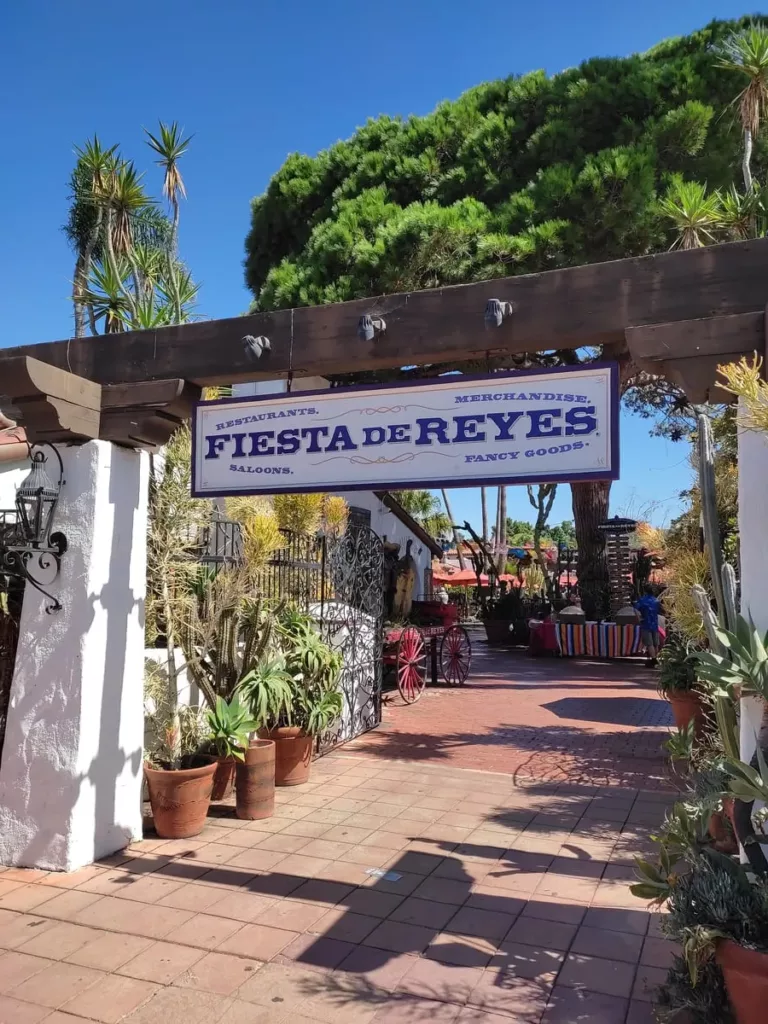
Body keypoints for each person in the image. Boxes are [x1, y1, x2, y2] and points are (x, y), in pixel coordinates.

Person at [634, 584, 662, 667]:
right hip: (654, 624)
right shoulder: (656, 600)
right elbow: (660, 610)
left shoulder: (642, 600)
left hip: (646, 623)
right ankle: (655, 658)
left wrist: (639, 618)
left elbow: (635, 609)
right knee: (655, 643)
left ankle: (653, 659)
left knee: (649, 644)